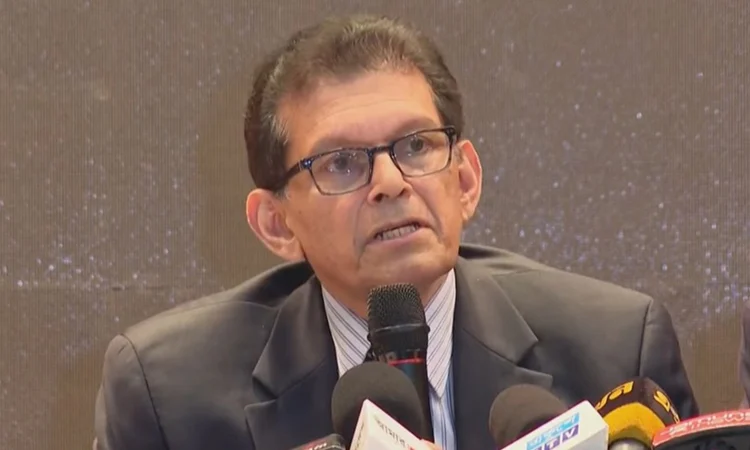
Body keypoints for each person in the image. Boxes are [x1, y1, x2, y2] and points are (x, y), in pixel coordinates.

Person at [93, 14, 699, 450]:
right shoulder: (169, 398)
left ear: (465, 180)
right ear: (276, 224)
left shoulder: (615, 349)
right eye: (341, 163)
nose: (389, 182)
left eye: (416, 146)